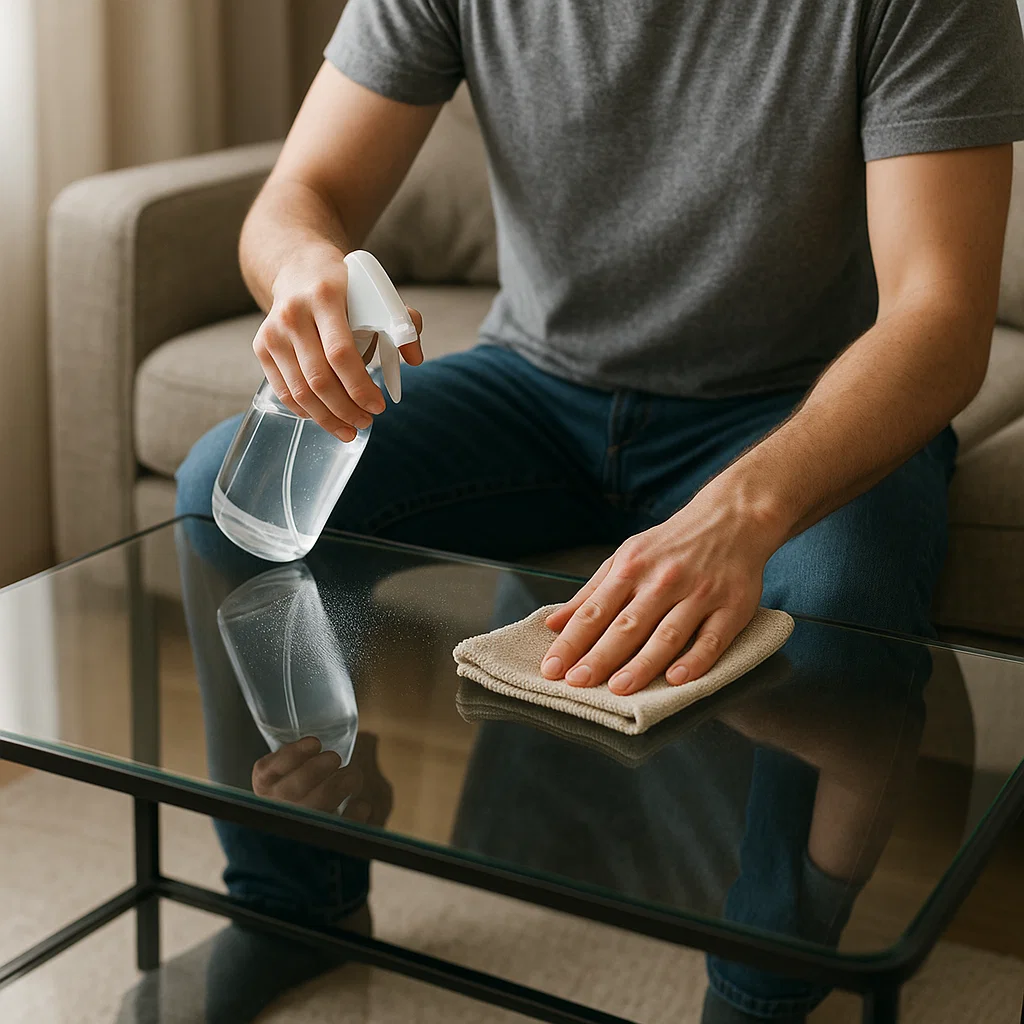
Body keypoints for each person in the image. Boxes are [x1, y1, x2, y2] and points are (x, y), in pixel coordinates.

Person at [174, 0, 1024, 1019]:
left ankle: (764, 988)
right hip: (534, 386)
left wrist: (742, 512)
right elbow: (296, 197)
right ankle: (291, 902)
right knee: (217, 498)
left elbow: (939, 318)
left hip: (792, 407)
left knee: (835, 614)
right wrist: (301, 268)